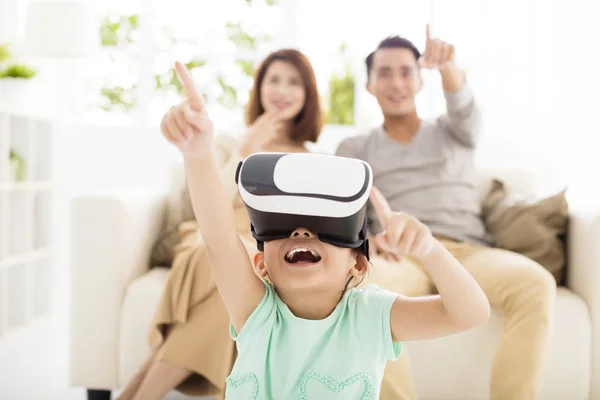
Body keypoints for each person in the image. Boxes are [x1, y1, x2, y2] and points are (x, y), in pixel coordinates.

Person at [167, 59, 490, 399]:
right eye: (282, 229)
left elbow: (469, 313)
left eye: (326, 228)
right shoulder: (256, 312)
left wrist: (430, 250)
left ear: (358, 264)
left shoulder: (370, 317)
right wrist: (198, 153)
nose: (302, 233)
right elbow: (218, 239)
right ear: (261, 264)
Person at [336, 25, 557, 400]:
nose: (396, 82)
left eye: (406, 71)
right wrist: (363, 240)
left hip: (466, 254)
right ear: (370, 86)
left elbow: (464, 106)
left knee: (536, 283)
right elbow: (342, 211)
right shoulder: (355, 147)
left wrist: (450, 66)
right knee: (361, 292)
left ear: (421, 81)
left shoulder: (455, 132)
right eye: (384, 73)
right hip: (399, 254)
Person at [117, 48, 323, 400]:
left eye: (294, 82)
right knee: (235, 261)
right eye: (274, 80)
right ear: (259, 89)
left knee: (237, 286)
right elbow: (212, 201)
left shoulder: (313, 159)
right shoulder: (226, 141)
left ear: (307, 95)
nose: (283, 90)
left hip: (260, 248)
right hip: (213, 235)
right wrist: (247, 148)